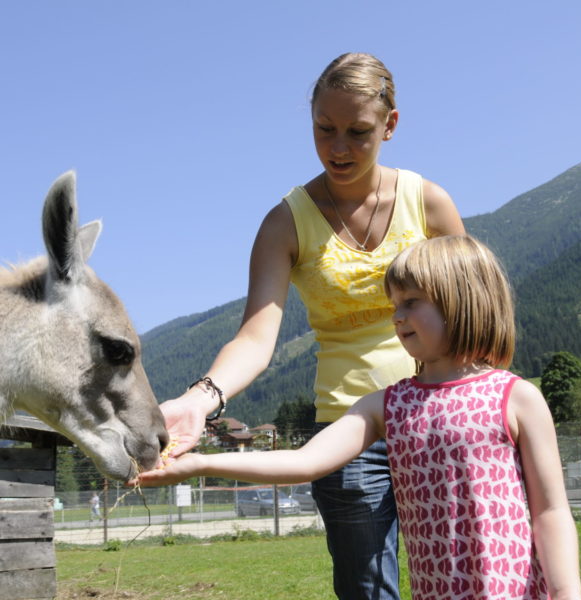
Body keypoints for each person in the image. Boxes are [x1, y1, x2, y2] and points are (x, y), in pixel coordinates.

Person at [154, 53, 464, 600]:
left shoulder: (430, 204)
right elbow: (256, 335)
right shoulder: (285, 222)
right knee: (367, 589)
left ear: (390, 126)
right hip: (346, 434)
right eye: (324, 129)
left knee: (464, 575)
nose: (338, 147)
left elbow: (471, 316)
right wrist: (201, 399)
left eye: (357, 132)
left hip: (437, 417)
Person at [138, 236, 581, 600]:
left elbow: (551, 510)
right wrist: (199, 464)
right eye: (394, 305)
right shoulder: (385, 407)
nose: (397, 317)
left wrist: (567, 592)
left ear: (462, 301)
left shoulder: (517, 397)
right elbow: (303, 462)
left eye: (411, 302)